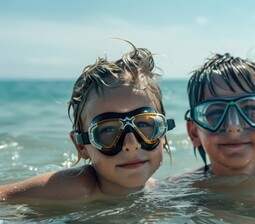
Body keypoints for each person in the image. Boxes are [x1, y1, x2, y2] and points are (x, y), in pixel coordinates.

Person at [0, 41, 175, 203]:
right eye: (108, 130)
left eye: (144, 125)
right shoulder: (75, 187)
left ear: (163, 134)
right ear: (81, 146)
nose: (131, 144)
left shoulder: (159, 190)